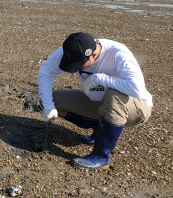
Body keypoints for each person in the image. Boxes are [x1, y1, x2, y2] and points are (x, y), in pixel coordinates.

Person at [38, 32, 152, 170]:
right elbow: (46, 72)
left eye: (79, 64)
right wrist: (49, 106)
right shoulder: (72, 48)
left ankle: (101, 156)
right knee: (50, 100)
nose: (76, 68)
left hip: (137, 108)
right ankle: (98, 130)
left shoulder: (118, 53)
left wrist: (99, 79)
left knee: (113, 95)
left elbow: (136, 89)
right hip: (99, 103)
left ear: (93, 55)